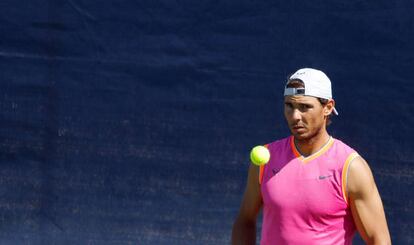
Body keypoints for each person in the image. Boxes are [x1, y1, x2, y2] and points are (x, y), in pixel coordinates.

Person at [231, 68, 391, 245]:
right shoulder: (266, 159)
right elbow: (245, 220)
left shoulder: (351, 168)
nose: (295, 116)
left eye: (305, 107)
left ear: (328, 108)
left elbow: (379, 239)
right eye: (289, 106)